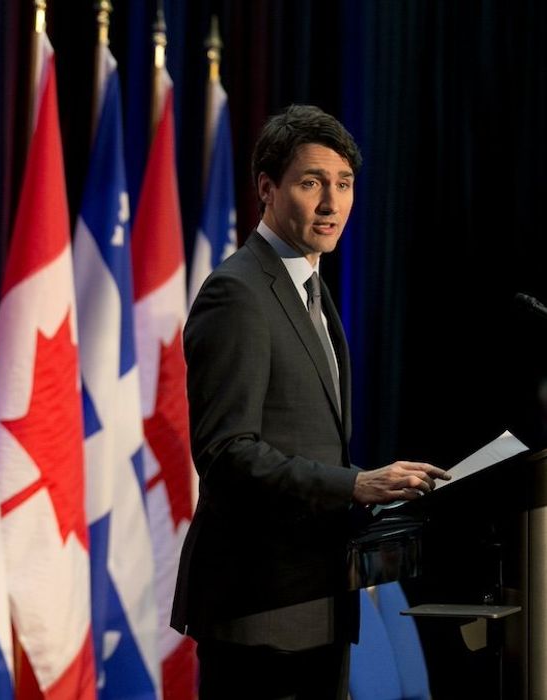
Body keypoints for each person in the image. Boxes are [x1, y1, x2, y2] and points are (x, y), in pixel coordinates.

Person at [171, 104, 449, 698]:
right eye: (311, 182)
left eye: (344, 184)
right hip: (261, 608)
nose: (332, 203)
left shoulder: (309, 287)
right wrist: (354, 484)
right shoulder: (238, 292)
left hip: (316, 599)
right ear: (267, 189)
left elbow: (304, 438)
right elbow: (226, 454)